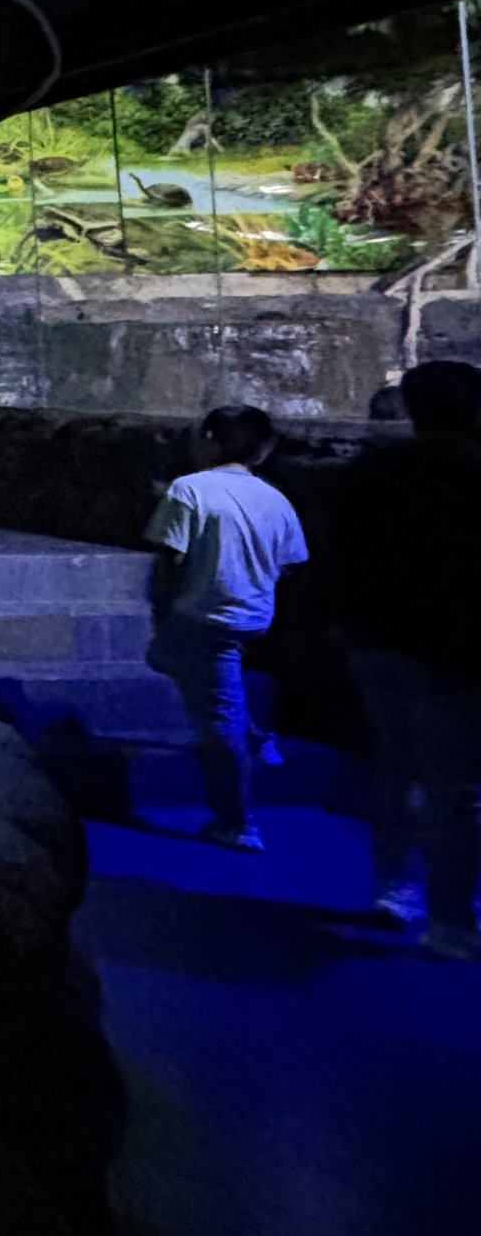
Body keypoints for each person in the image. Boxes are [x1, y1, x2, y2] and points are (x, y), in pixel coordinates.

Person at [333, 359, 481, 960]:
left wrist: (341, 627)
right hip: (449, 650)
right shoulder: (473, 476)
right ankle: (449, 920)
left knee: (394, 765)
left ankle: (392, 888)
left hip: (374, 643)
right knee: (455, 789)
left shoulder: (371, 471)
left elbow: (340, 554)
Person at [144, 404, 307, 852]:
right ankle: (255, 731)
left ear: (210, 439)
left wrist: (162, 608)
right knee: (186, 671)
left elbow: (169, 559)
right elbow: (291, 563)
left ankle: (239, 822)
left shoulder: (190, 490)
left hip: (203, 616)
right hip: (253, 616)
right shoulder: (275, 498)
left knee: (217, 722)